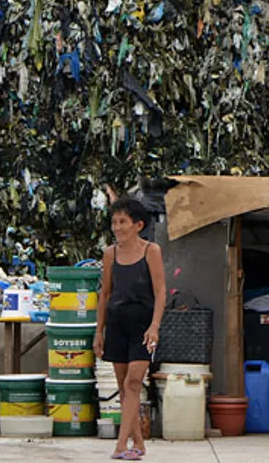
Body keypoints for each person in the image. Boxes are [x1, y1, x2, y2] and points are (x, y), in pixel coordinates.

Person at [93, 197, 166, 462]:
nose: (117, 227)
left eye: (122, 222)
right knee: (124, 389)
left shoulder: (151, 251)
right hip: (116, 324)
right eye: (114, 222)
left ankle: (121, 445)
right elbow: (105, 294)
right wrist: (98, 331)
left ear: (138, 225)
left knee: (134, 382)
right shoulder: (110, 254)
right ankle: (139, 443)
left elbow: (160, 292)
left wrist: (155, 326)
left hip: (143, 327)